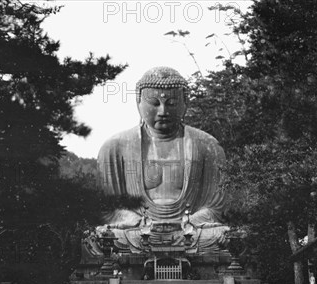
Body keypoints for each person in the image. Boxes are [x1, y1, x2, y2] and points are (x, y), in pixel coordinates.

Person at [97, 67, 229, 252]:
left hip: (190, 231)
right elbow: (108, 210)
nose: (163, 110)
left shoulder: (207, 145)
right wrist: (138, 221)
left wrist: (186, 222)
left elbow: (216, 207)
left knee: (222, 235)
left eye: (172, 102)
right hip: (136, 232)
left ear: (185, 103)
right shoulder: (114, 147)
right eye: (154, 103)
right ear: (138, 102)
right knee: (108, 237)